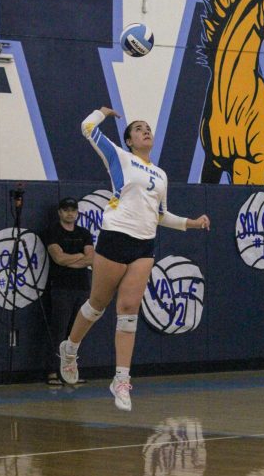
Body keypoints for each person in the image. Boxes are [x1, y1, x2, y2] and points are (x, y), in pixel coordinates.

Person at [59, 107, 210, 410]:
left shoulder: (161, 174)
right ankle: (70, 348)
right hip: (116, 236)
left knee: (128, 310)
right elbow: (87, 127)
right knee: (98, 304)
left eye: (148, 128)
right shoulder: (119, 156)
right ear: (129, 140)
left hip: (144, 244)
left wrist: (190, 223)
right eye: (138, 129)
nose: (145, 131)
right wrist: (101, 112)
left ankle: (121, 379)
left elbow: (161, 215)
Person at [44, 197, 94, 385]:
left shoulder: (84, 233)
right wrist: (79, 257)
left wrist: (72, 259)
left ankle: (70, 371)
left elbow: (91, 259)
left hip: (81, 288)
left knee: (75, 333)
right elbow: (58, 258)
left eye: (73, 210)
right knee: (58, 330)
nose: (70, 213)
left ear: (77, 212)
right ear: (59, 212)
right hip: (61, 288)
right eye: (65, 210)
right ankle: (52, 371)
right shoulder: (53, 232)